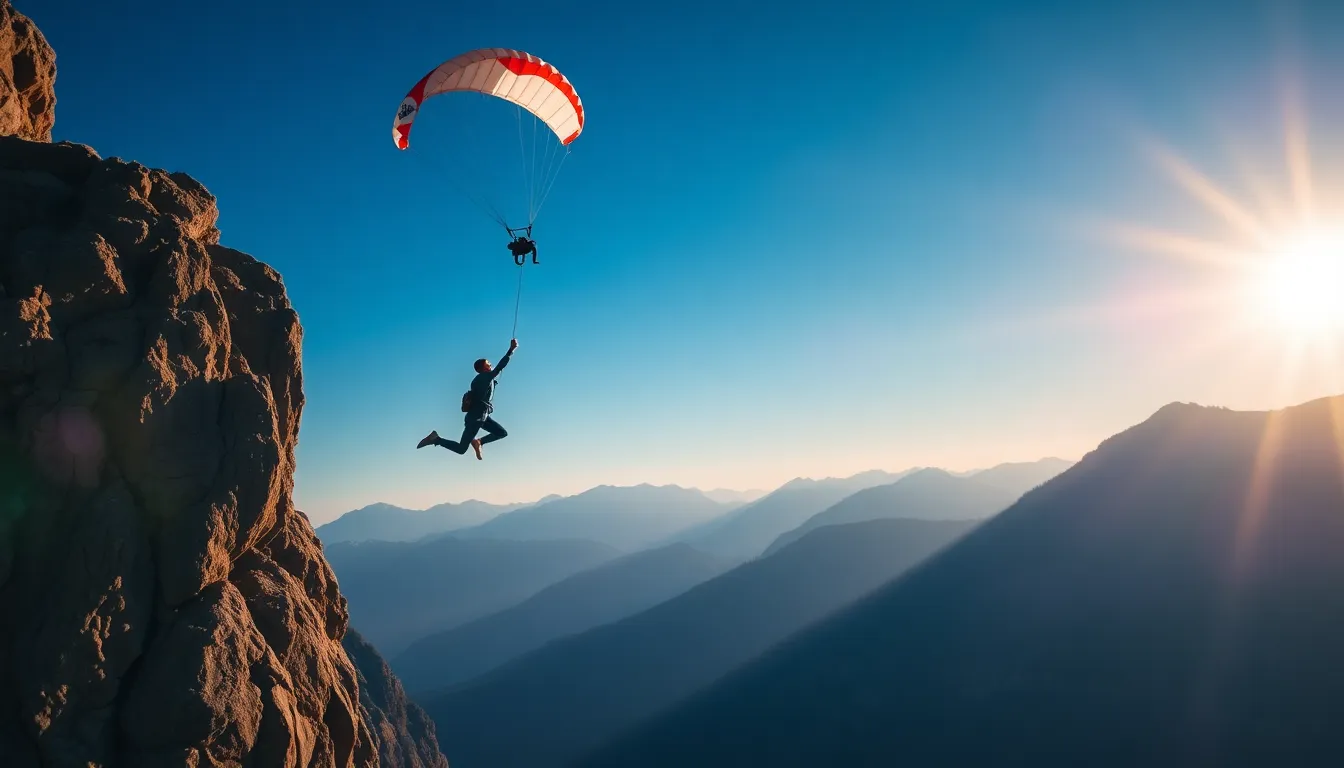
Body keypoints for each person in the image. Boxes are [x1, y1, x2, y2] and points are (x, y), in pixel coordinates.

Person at [417, 338, 518, 460]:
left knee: (502, 433)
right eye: (488, 363)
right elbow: (499, 367)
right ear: (482, 368)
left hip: (483, 416)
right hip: (475, 417)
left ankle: (479, 441)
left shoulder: (485, 379)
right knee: (461, 449)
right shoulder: (482, 377)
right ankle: (436, 439)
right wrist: (511, 350)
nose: (491, 364)